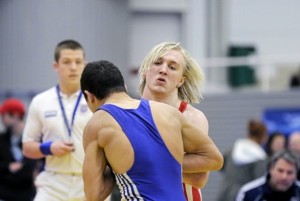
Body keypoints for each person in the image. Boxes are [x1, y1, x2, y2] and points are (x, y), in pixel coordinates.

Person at [80, 60, 224, 201]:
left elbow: (94, 195)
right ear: (124, 87)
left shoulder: (97, 124)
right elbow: (215, 159)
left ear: (89, 96)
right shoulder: (168, 112)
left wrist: (115, 163)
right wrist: (164, 161)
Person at [22, 39, 93, 201]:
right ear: (56, 66)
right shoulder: (40, 101)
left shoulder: (96, 99)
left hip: (90, 181)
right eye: (67, 62)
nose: (73, 67)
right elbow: (27, 147)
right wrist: (48, 148)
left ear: (85, 65)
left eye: (78, 62)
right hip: (53, 183)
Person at [138, 41, 208, 201]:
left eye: (172, 67)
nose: (163, 70)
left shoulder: (192, 118)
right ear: (145, 70)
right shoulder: (128, 113)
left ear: (181, 81)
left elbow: (199, 178)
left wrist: (142, 163)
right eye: (158, 63)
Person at [216, 119, 268, 201]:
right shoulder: (260, 157)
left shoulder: (235, 148)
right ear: (263, 136)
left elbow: (219, 165)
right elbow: (259, 183)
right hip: (242, 195)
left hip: (224, 192)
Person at [0, 98, 37, 201]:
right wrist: (8, 167)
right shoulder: (2, 139)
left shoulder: (32, 139)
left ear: (15, 115)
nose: (2, 118)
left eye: (4, 115)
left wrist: (6, 172)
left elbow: (28, 172)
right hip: (4, 194)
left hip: (26, 194)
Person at [235, 149, 300, 201]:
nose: (284, 177)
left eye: (290, 172)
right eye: (280, 171)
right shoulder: (249, 193)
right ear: (271, 169)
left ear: (296, 174)